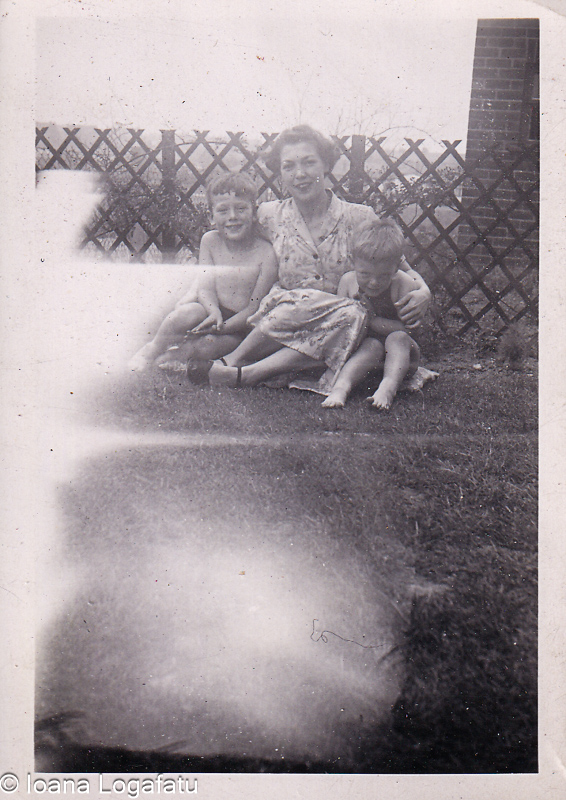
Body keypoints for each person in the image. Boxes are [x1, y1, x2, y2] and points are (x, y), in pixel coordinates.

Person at [198, 125, 430, 390]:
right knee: (304, 301)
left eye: (309, 162)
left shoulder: (359, 217)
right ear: (280, 172)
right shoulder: (267, 216)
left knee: (353, 313)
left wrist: (424, 292)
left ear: (326, 165)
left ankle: (246, 373)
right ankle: (235, 362)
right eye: (288, 166)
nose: (300, 174)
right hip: (284, 325)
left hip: (345, 332)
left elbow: (400, 266)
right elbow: (225, 236)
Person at [128, 172, 278, 372]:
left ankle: (175, 355)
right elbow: (205, 288)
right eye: (223, 210)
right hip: (210, 309)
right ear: (211, 216)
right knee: (184, 314)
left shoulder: (266, 253)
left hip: (239, 326)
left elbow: (254, 309)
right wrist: (213, 312)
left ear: (253, 213)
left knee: (208, 345)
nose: (232, 217)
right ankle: (152, 348)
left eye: (241, 209)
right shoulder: (210, 241)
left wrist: (221, 328)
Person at [321, 218, 420, 410]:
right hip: (362, 358)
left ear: (396, 267)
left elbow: (410, 330)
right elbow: (340, 326)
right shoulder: (348, 282)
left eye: (383, 275)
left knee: (397, 338)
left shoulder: (403, 284)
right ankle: (341, 388)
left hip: (402, 359)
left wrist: (372, 320)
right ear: (353, 262)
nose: (374, 282)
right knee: (372, 345)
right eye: (365, 274)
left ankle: (387, 388)